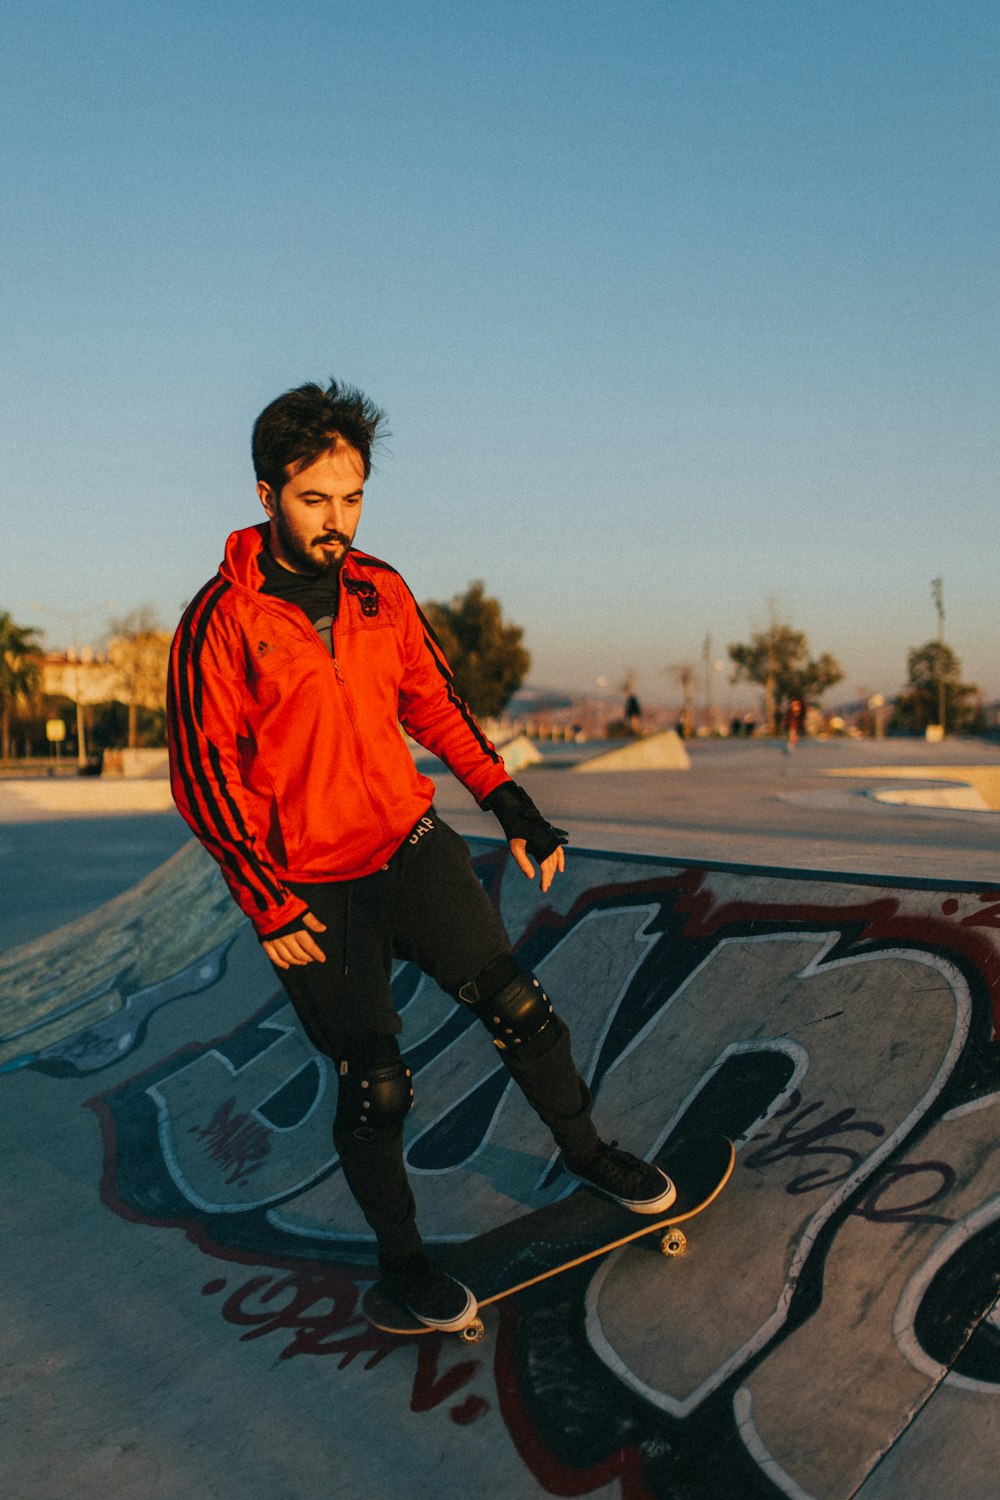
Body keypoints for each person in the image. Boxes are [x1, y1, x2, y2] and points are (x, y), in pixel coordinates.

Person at [167, 379, 675, 1333]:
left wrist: (512, 805)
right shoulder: (220, 622)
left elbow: (433, 704)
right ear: (268, 491)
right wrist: (268, 905)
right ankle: (404, 1264)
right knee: (378, 1086)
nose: (337, 521)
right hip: (312, 889)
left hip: (408, 844)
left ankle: (589, 1153)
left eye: (352, 498)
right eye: (316, 499)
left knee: (520, 1006)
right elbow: (203, 777)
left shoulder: (378, 590)